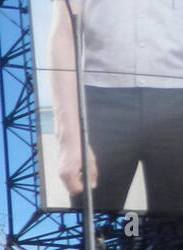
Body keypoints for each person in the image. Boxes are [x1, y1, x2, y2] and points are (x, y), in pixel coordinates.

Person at [51, 0, 183, 214]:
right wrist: (68, 140)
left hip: (178, 103)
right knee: (93, 230)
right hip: (100, 106)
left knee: (175, 238)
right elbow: (65, 32)